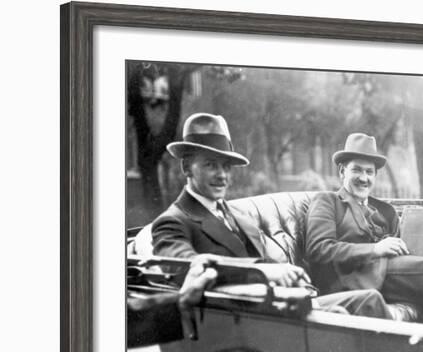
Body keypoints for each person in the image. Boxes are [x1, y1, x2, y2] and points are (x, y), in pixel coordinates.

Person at [151, 113, 399, 319]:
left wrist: (290, 274)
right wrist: (263, 272)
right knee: (362, 305)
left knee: (367, 300)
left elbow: (265, 261)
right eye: (210, 165)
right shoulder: (173, 221)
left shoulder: (234, 215)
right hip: (249, 315)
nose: (222, 175)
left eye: (226, 166)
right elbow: (189, 265)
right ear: (186, 167)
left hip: (286, 300)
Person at [305, 133, 423, 318]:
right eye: (356, 170)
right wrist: (375, 249)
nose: (363, 178)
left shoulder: (386, 212)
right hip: (355, 281)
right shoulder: (328, 201)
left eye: (369, 172)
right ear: (342, 171)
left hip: (392, 279)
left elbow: (401, 255)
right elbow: (318, 249)